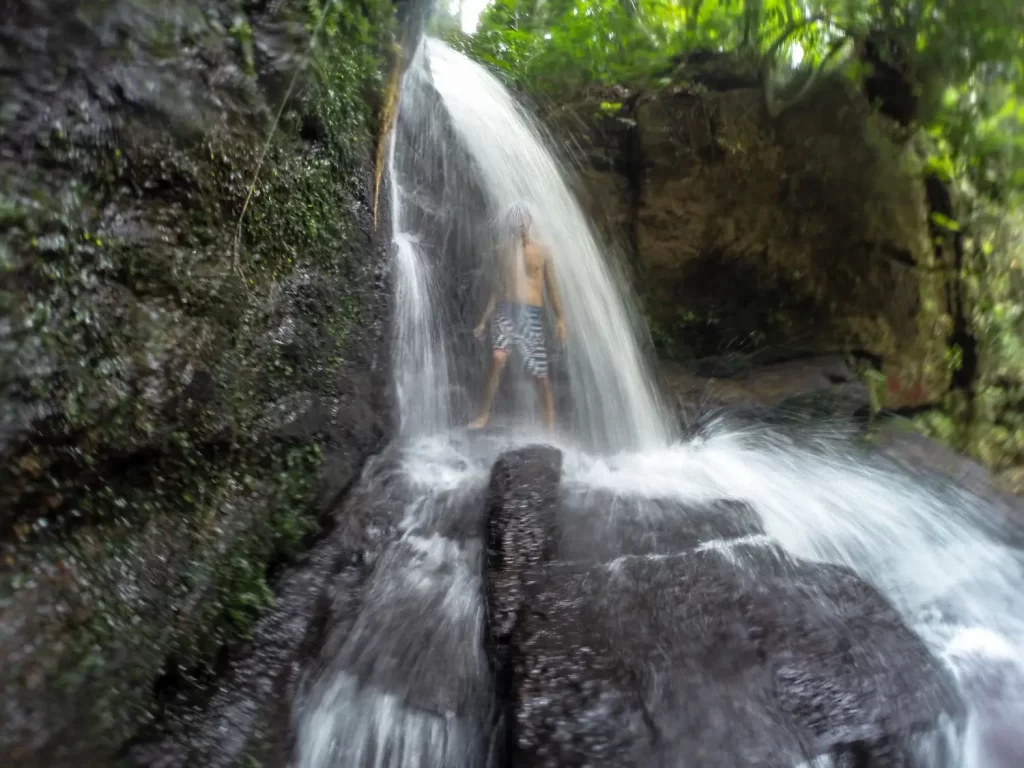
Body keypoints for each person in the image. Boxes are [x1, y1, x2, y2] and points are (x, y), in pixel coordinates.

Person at [468, 203, 566, 431]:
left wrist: (561, 318)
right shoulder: (501, 251)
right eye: (516, 219)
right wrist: (483, 321)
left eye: (524, 219)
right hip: (506, 310)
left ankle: (549, 429)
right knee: (498, 359)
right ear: (511, 223)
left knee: (539, 374)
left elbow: (551, 288)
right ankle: (483, 415)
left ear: (529, 223)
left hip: (530, 315)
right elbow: (497, 289)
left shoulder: (542, 252)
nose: (520, 223)